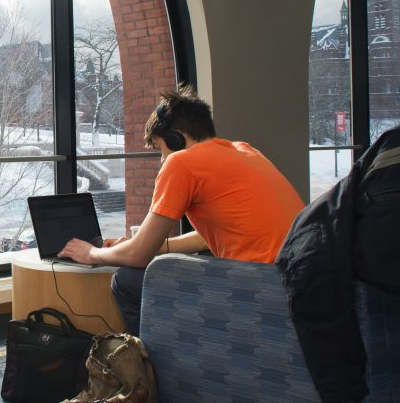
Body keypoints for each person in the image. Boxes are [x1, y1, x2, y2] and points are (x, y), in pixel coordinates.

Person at [58, 83, 305, 337]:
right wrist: (159, 246)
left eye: (160, 149)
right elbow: (222, 231)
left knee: (128, 280)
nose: (162, 159)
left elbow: (138, 257)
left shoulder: (181, 162)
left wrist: (92, 253)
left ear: (176, 138)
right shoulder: (245, 150)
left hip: (262, 284)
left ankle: (148, 370)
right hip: (298, 277)